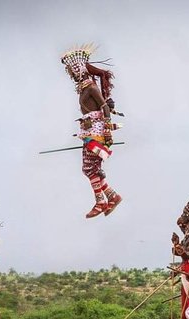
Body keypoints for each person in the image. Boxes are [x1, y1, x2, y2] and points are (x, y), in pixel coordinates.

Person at [60, 45, 122, 218]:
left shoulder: (91, 88)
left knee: (89, 168)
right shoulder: (84, 88)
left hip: (97, 133)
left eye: (73, 72)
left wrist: (108, 131)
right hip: (89, 133)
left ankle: (102, 201)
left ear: (79, 70)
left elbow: (104, 108)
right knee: (91, 169)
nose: (72, 76)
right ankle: (111, 196)